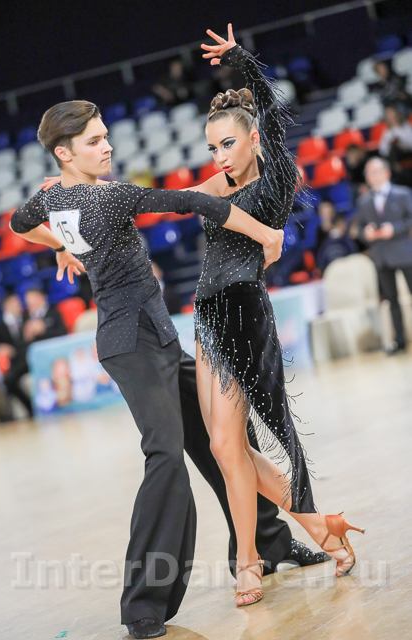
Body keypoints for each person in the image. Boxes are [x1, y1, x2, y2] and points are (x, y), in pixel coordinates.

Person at [10, 99, 328, 640]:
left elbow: (19, 223)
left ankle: (268, 544)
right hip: (130, 345)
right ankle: (142, 605)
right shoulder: (106, 196)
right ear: (64, 153)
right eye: (94, 141)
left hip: (157, 338)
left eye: (105, 136)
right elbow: (195, 202)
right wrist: (266, 233)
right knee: (165, 457)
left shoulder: (54, 195)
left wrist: (64, 243)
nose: (107, 146)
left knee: (225, 438)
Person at [185, 24, 365, 607]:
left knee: (240, 444)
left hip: (243, 316)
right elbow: (166, 203)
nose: (219, 157)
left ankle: (249, 562)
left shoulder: (278, 177)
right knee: (224, 447)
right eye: (212, 148)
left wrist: (241, 59)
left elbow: (272, 109)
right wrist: (78, 196)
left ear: (254, 139)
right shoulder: (216, 183)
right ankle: (322, 528)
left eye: (228, 145)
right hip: (206, 317)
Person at [355, 157, 412, 355]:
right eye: (369, 172)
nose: (372, 175)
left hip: (404, 252)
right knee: (391, 300)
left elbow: (410, 219)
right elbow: (359, 228)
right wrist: (366, 233)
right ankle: (399, 340)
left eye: (376, 171)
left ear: (386, 173)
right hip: (381, 256)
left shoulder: (402, 194)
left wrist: (394, 228)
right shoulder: (364, 201)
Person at [0, 293, 31, 418]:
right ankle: (18, 412)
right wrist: (0, 347)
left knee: (9, 379)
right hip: (14, 363)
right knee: (7, 380)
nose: (19, 305)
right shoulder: (0, 326)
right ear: (7, 306)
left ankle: (28, 410)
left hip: (28, 358)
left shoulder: (27, 319)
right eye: (15, 303)